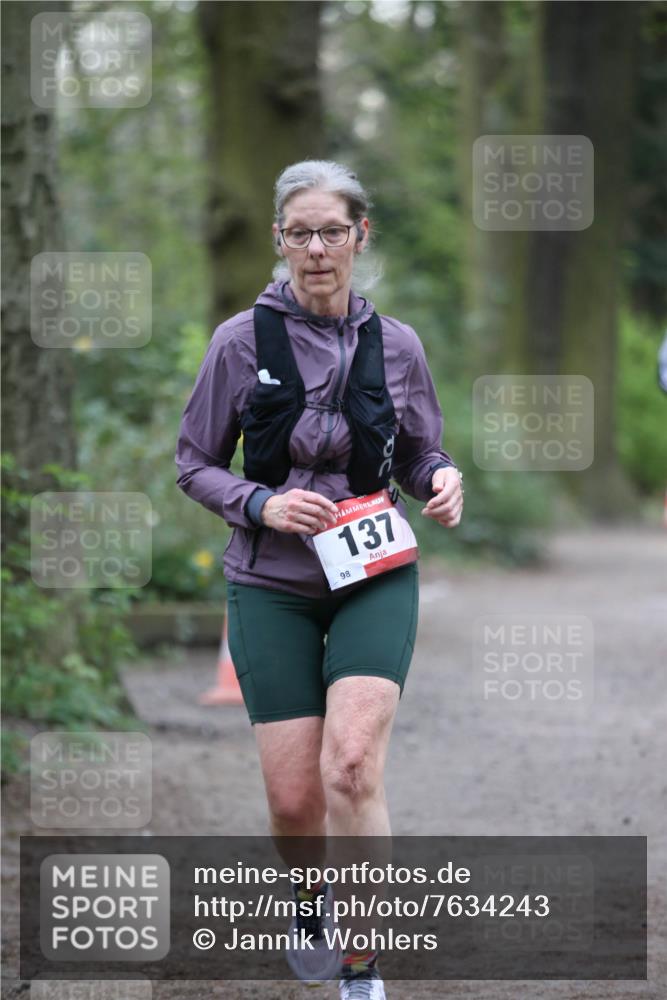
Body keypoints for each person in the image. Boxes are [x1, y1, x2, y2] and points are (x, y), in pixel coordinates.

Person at [176, 160, 463, 999]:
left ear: (358, 236)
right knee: (296, 796)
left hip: (373, 571)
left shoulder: (397, 344)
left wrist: (441, 481)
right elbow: (193, 463)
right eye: (298, 233)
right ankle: (309, 897)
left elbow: (418, 453)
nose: (314, 248)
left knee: (350, 767)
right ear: (278, 240)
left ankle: (362, 969)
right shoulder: (239, 342)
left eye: (330, 231)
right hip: (270, 581)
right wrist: (260, 503)